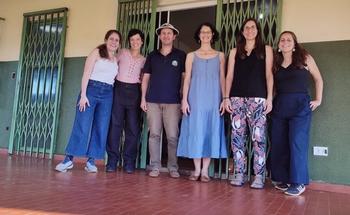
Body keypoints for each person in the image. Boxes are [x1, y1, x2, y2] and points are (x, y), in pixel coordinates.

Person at [55, 30, 121, 173]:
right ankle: (69, 159)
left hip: (108, 93)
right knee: (82, 124)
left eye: (117, 40)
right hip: (91, 90)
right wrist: (84, 95)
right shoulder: (97, 52)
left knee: (101, 127)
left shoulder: (116, 59)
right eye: (111, 39)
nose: (114, 42)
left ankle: (91, 161)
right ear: (106, 40)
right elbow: (86, 73)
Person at [270, 31, 323, 196]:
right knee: (280, 143)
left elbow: (318, 79)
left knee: (296, 143)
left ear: (294, 44)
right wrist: (269, 103)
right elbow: (273, 87)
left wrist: (318, 99)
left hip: (300, 106)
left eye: (289, 39)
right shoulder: (276, 62)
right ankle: (284, 180)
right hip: (280, 105)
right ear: (279, 44)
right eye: (282, 40)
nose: (285, 42)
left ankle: (298, 182)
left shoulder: (305, 58)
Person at [224, 18, 273, 188]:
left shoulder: (266, 50)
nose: (250, 30)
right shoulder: (234, 51)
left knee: (258, 138)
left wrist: (269, 98)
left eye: (253, 27)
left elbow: (269, 75)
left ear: (257, 30)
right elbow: (229, 76)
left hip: (258, 99)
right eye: (246, 27)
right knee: (237, 138)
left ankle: (258, 176)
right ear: (243, 31)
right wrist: (226, 97)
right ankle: (239, 173)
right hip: (237, 98)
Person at [177, 22, 227, 182]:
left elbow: (223, 79)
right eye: (202, 32)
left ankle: (205, 171)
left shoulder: (220, 55)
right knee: (196, 132)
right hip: (195, 99)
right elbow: (187, 80)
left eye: (208, 32)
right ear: (199, 36)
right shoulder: (191, 55)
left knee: (209, 132)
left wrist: (224, 98)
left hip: (214, 99)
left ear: (213, 35)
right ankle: (196, 170)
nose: (205, 34)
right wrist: (184, 100)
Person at [141, 23, 186, 178]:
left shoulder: (181, 55)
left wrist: (184, 98)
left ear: (174, 36)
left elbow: (185, 79)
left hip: (173, 102)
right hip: (153, 100)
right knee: (154, 134)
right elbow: (146, 78)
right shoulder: (152, 55)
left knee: (173, 136)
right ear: (159, 36)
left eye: (169, 33)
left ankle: (173, 167)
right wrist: (143, 98)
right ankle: (155, 166)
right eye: (163, 33)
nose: (166, 35)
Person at [106, 29, 146, 174]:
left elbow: (144, 80)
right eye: (132, 39)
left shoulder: (144, 60)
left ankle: (129, 162)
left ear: (142, 42)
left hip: (135, 92)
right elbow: (110, 64)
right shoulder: (122, 52)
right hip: (119, 89)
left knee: (133, 129)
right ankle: (112, 161)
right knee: (115, 126)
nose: (135, 42)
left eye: (138, 39)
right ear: (129, 41)